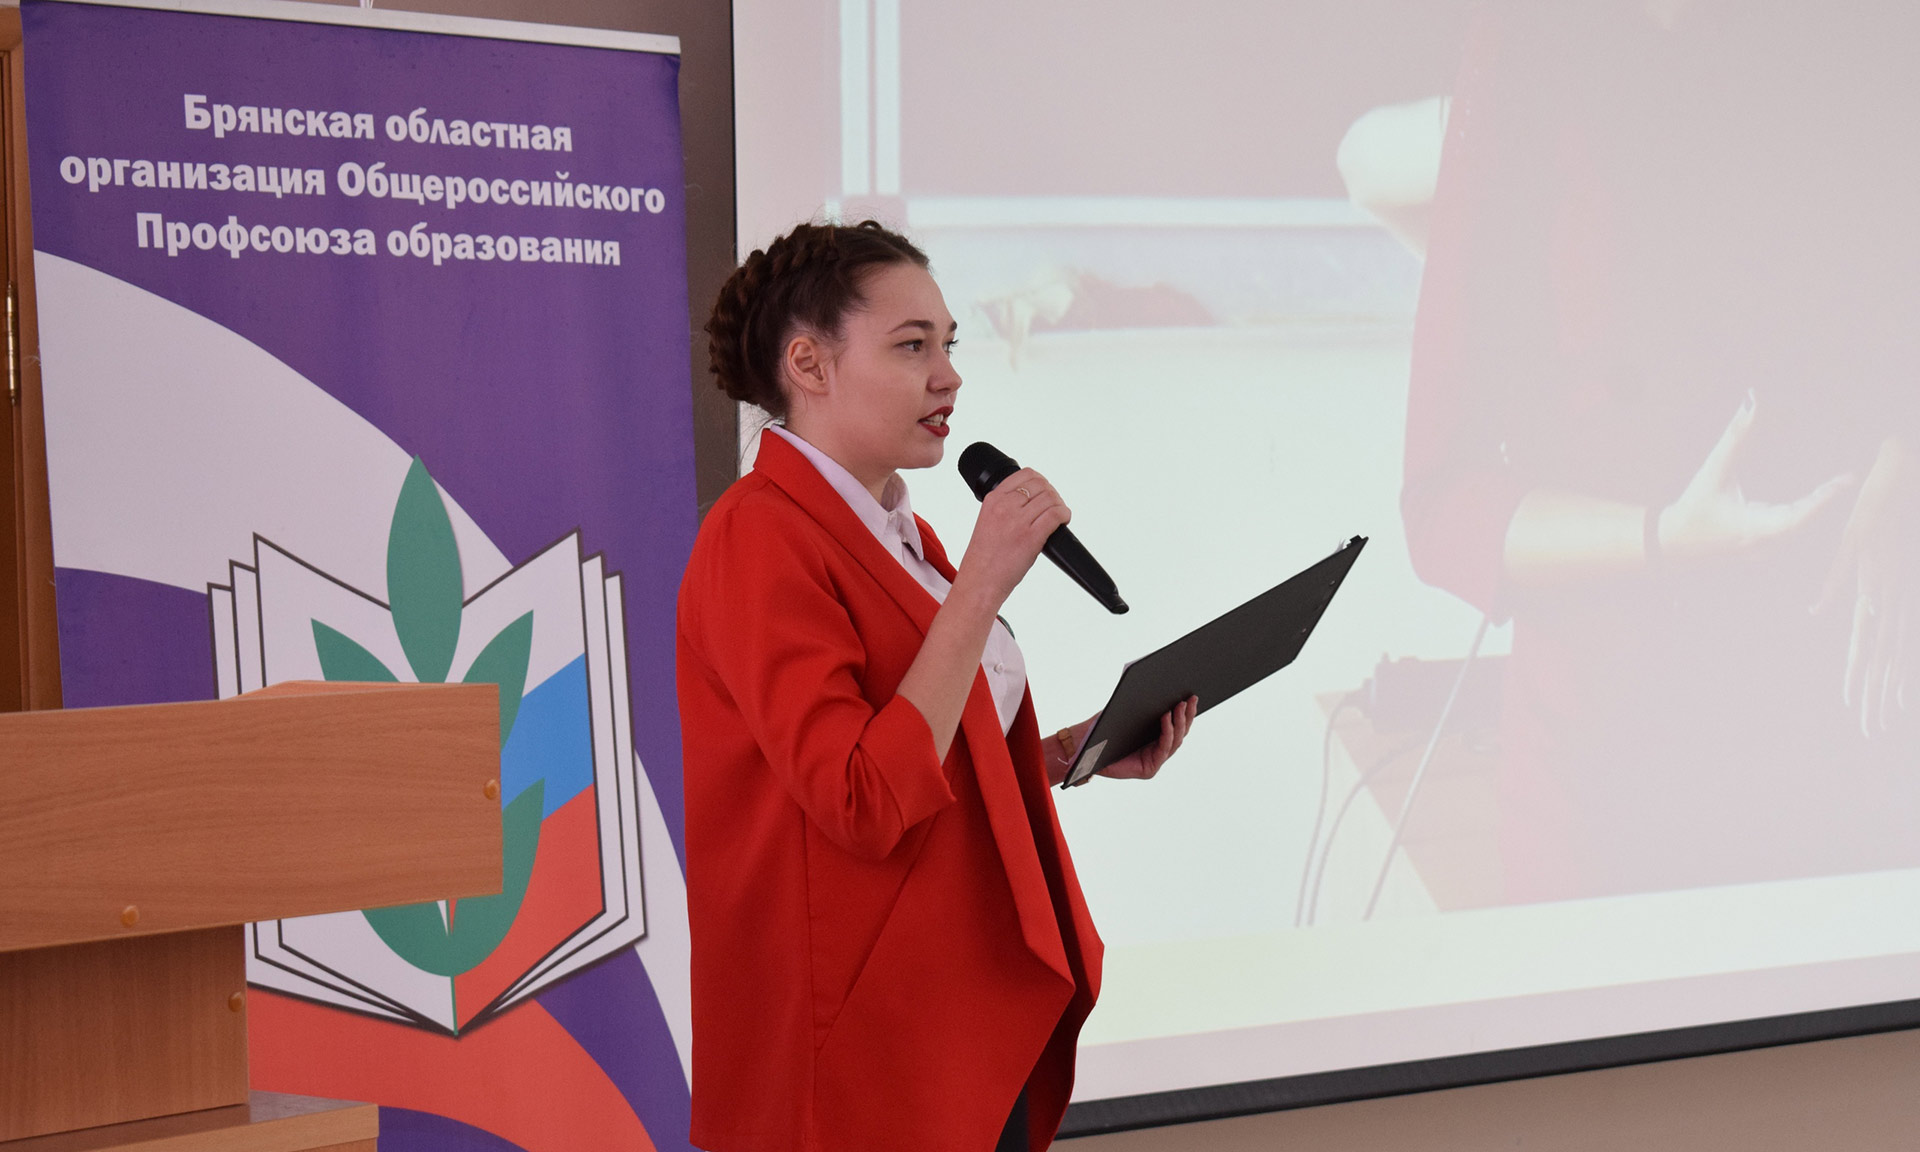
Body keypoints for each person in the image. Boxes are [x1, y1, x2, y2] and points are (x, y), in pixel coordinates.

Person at [676, 220, 1196, 1152]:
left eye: (949, 345)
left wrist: (1057, 755)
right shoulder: (759, 534)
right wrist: (983, 585)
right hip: (856, 1062)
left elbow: (922, 753)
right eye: (912, 346)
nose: (949, 376)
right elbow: (860, 798)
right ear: (809, 363)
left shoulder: (904, 539)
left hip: (957, 1027)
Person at [1402, 0, 1920, 904]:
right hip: (1616, 782)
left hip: (1852, 752)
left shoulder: (1867, 34)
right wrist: (1666, 537)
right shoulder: (1528, 44)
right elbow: (1442, 508)